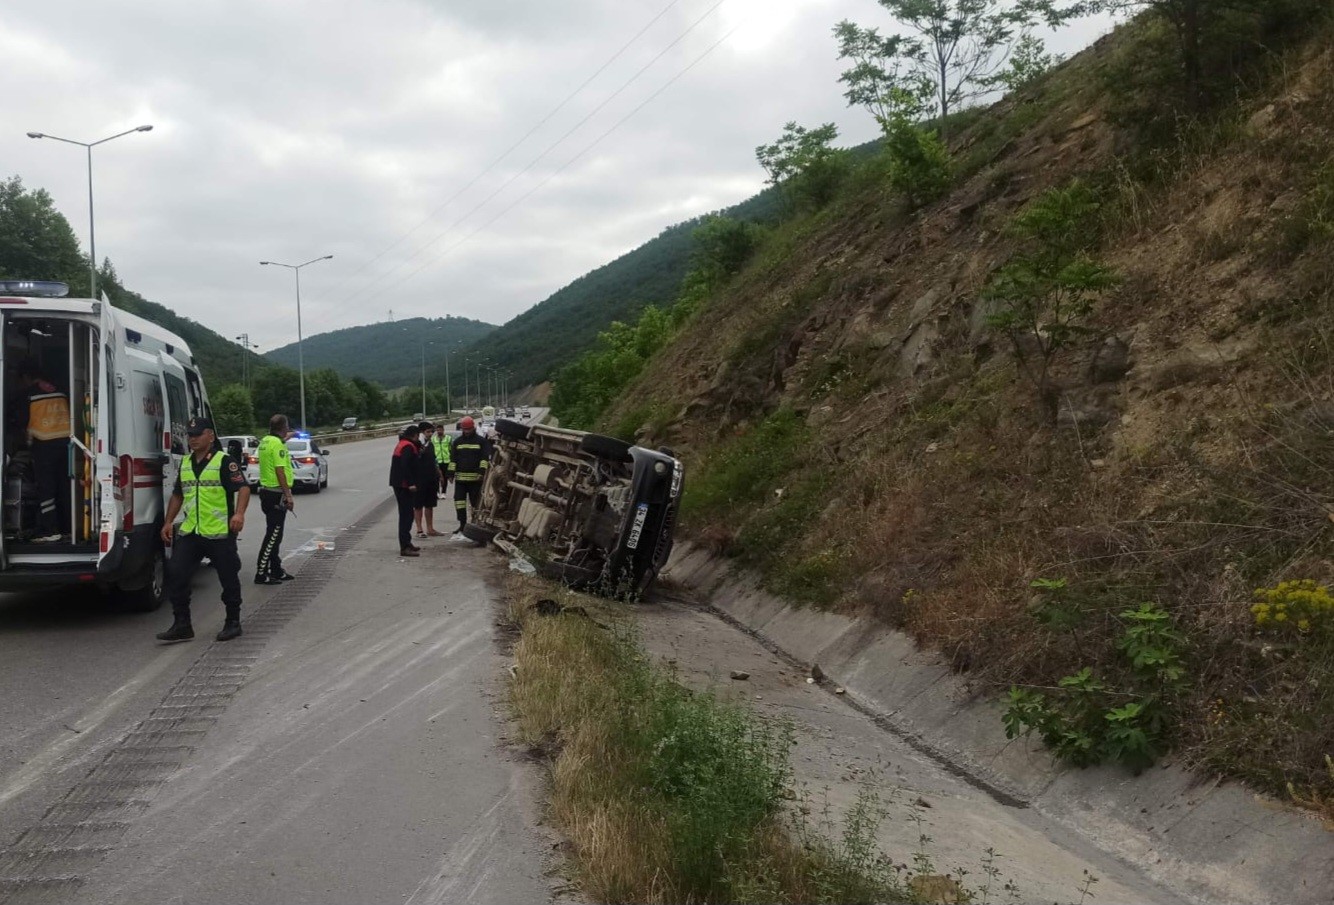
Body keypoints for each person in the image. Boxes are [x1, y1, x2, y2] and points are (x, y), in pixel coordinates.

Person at [156, 417, 250, 643]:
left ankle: (233, 622)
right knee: (176, 573)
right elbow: (178, 494)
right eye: (190, 436)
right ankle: (182, 624)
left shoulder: (225, 461)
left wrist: (238, 514)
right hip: (192, 531)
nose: (193, 439)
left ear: (210, 436)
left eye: (198, 435)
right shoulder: (186, 463)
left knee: (228, 577)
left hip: (219, 531)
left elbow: (244, 488)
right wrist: (169, 522)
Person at [19, 361, 71, 543]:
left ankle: (49, 530)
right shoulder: (61, 390)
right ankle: (67, 527)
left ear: (26, 377)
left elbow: (20, 422)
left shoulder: (28, 395)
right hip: (67, 444)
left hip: (44, 445)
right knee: (65, 486)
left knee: (46, 489)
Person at [254, 414, 296, 585]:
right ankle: (261, 573)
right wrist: (288, 495)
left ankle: (276, 570)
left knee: (276, 535)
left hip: (266, 493)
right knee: (272, 536)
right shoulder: (277, 444)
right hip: (276, 493)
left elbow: (276, 445)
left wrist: (286, 438)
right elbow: (280, 470)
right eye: (286, 427)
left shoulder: (265, 441)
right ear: (284, 427)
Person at [448, 416, 489, 533]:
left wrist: (481, 472)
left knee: (476, 504)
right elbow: (453, 459)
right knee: (459, 502)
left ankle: (476, 526)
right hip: (460, 480)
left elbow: (484, 458)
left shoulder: (481, 441)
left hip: (475, 480)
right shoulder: (457, 442)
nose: (466, 431)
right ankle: (462, 524)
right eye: (464, 429)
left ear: (473, 428)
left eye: (468, 429)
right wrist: (450, 473)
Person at [390, 425, 421, 557]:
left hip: (399, 483)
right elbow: (405, 465)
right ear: (414, 435)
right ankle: (404, 547)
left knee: (407, 514)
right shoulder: (408, 446)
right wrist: (411, 483)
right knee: (406, 516)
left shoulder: (403, 443)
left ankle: (407, 543)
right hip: (403, 485)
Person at [414, 421, 445, 538]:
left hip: (431, 479)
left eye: (432, 431)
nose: (430, 434)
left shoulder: (430, 444)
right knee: (418, 505)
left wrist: (440, 474)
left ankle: (430, 528)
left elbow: (434, 460)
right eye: (428, 432)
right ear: (421, 433)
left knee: (430, 504)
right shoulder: (417, 446)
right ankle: (419, 529)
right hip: (419, 479)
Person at [432, 422, 452, 499]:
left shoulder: (448, 438)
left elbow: (451, 449)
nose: (439, 431)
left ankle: (443, 492)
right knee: (437, 477)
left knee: (445, 477)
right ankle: (437, 492)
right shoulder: (433, 439)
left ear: (443, 430)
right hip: (437, 461)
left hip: (446, 461)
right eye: (438, 430)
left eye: (440, 430)